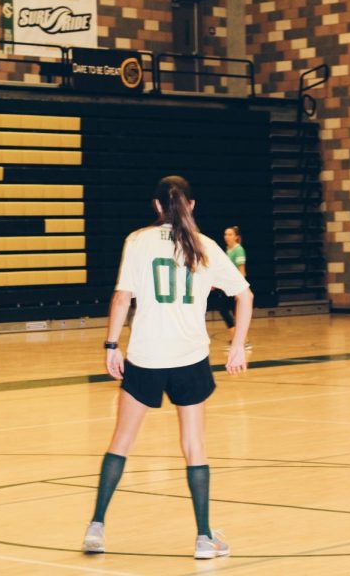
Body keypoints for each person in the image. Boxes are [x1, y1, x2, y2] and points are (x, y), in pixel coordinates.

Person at [82, 176, 253, 559]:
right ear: (191, 206)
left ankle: (96, 529)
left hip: (145, 356)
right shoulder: (206, 246)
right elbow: (245, 294)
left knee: (120, 443)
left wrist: (111, 344)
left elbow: (122, 296)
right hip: (190, 358)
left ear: (157, 206)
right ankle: (204, 538)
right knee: (195, 448)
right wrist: (238, 346)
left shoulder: (137, 241)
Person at [217, 225, 250, 349]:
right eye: (225, 234)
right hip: (228, 287)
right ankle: (241, 340)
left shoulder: (238, 250)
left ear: (236, 237)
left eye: (230, 234)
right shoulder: (228, 250)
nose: (227, 237)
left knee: (225, 310)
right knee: (232, 313)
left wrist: (240, 291)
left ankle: (240, 341)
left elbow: (242, 272)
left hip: (235, 288)